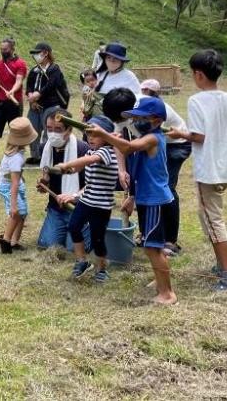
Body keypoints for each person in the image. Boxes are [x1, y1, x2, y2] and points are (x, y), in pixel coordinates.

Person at [168, 50, 227, 292]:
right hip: (225, 169)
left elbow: (198, 136)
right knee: (208, 217)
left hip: (208, 170)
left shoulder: (196, 101)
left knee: (214, 221)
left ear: (198, 75)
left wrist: (180, 133)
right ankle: (222, 266)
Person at [87, 97, 177, 305]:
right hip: (146, 199)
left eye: (140, 118)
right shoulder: (145, 138)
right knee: (151, 245)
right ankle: (159, 280)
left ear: (156, 120)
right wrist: (132, 197)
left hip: (155, 199)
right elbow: (133, 162)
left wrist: (105, 135)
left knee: (152, 248)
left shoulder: (153, 138)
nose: (135, 121)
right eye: (134, 118)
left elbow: (127, 148)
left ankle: (167, 293)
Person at [52, 116, 120, 283]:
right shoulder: (91, 151)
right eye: (88, 134)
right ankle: (82, 261)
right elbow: (80, 166)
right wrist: (66, 171)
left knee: (98, 238)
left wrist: (67, 164)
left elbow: (88, 160)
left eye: (94, 135)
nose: (90, 138)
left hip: (101, 205)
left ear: (106, 136)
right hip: (86, 200)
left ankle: (102, 268)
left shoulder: (106, 152)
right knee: (74, 227)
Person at [141, 78, 192, 256]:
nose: (145, 94)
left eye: (149, 92)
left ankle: (171, 240)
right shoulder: (139, 109)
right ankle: (152, 233)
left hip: (177, 144)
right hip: (159, 142)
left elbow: (150, 137)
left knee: (166, 188)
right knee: (152, 186)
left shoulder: (159, 110)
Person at [35, 109, 91, 255]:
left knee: (74, 249)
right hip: (56, 208)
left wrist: (74, 196)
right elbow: (47, 176)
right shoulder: (45, 148)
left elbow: (92, 185)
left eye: (58, 129)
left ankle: (88, 227)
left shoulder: (83, 149)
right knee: (47, 245)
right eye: (49, 129)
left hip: (79, 208)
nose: (53, 133)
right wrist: (44, 184)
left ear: (69, 129)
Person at [0, 117, 38, 254]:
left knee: (23, 212)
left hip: (14, 184)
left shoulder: (17, 154)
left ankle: (15, 241)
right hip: (7, 186)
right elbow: (13, 183)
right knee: (17, 212)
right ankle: (6, 241)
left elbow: (16, 178)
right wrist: (13, 206)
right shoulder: (16, 158)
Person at [0, 38, 28, 167]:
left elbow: (19, 81)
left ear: (12, 49)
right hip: (0, 102)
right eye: (1, 49)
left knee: (16, 131)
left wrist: (12, 91)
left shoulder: (20, 64)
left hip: (14, 103)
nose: (3, 52)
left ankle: (17, 156)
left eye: (5, 49)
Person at [25, 42, 69, 164]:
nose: (36, 56)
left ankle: (47, 155)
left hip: (51, 105)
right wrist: (31, 97)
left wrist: (38, 95)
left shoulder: (54, 69)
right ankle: (35, 155)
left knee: (49, 132)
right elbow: (28, 86)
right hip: (35, 106)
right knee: (32, 130)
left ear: (46, 54)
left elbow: (51, 85)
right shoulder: (34, 70)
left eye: (38, 53)